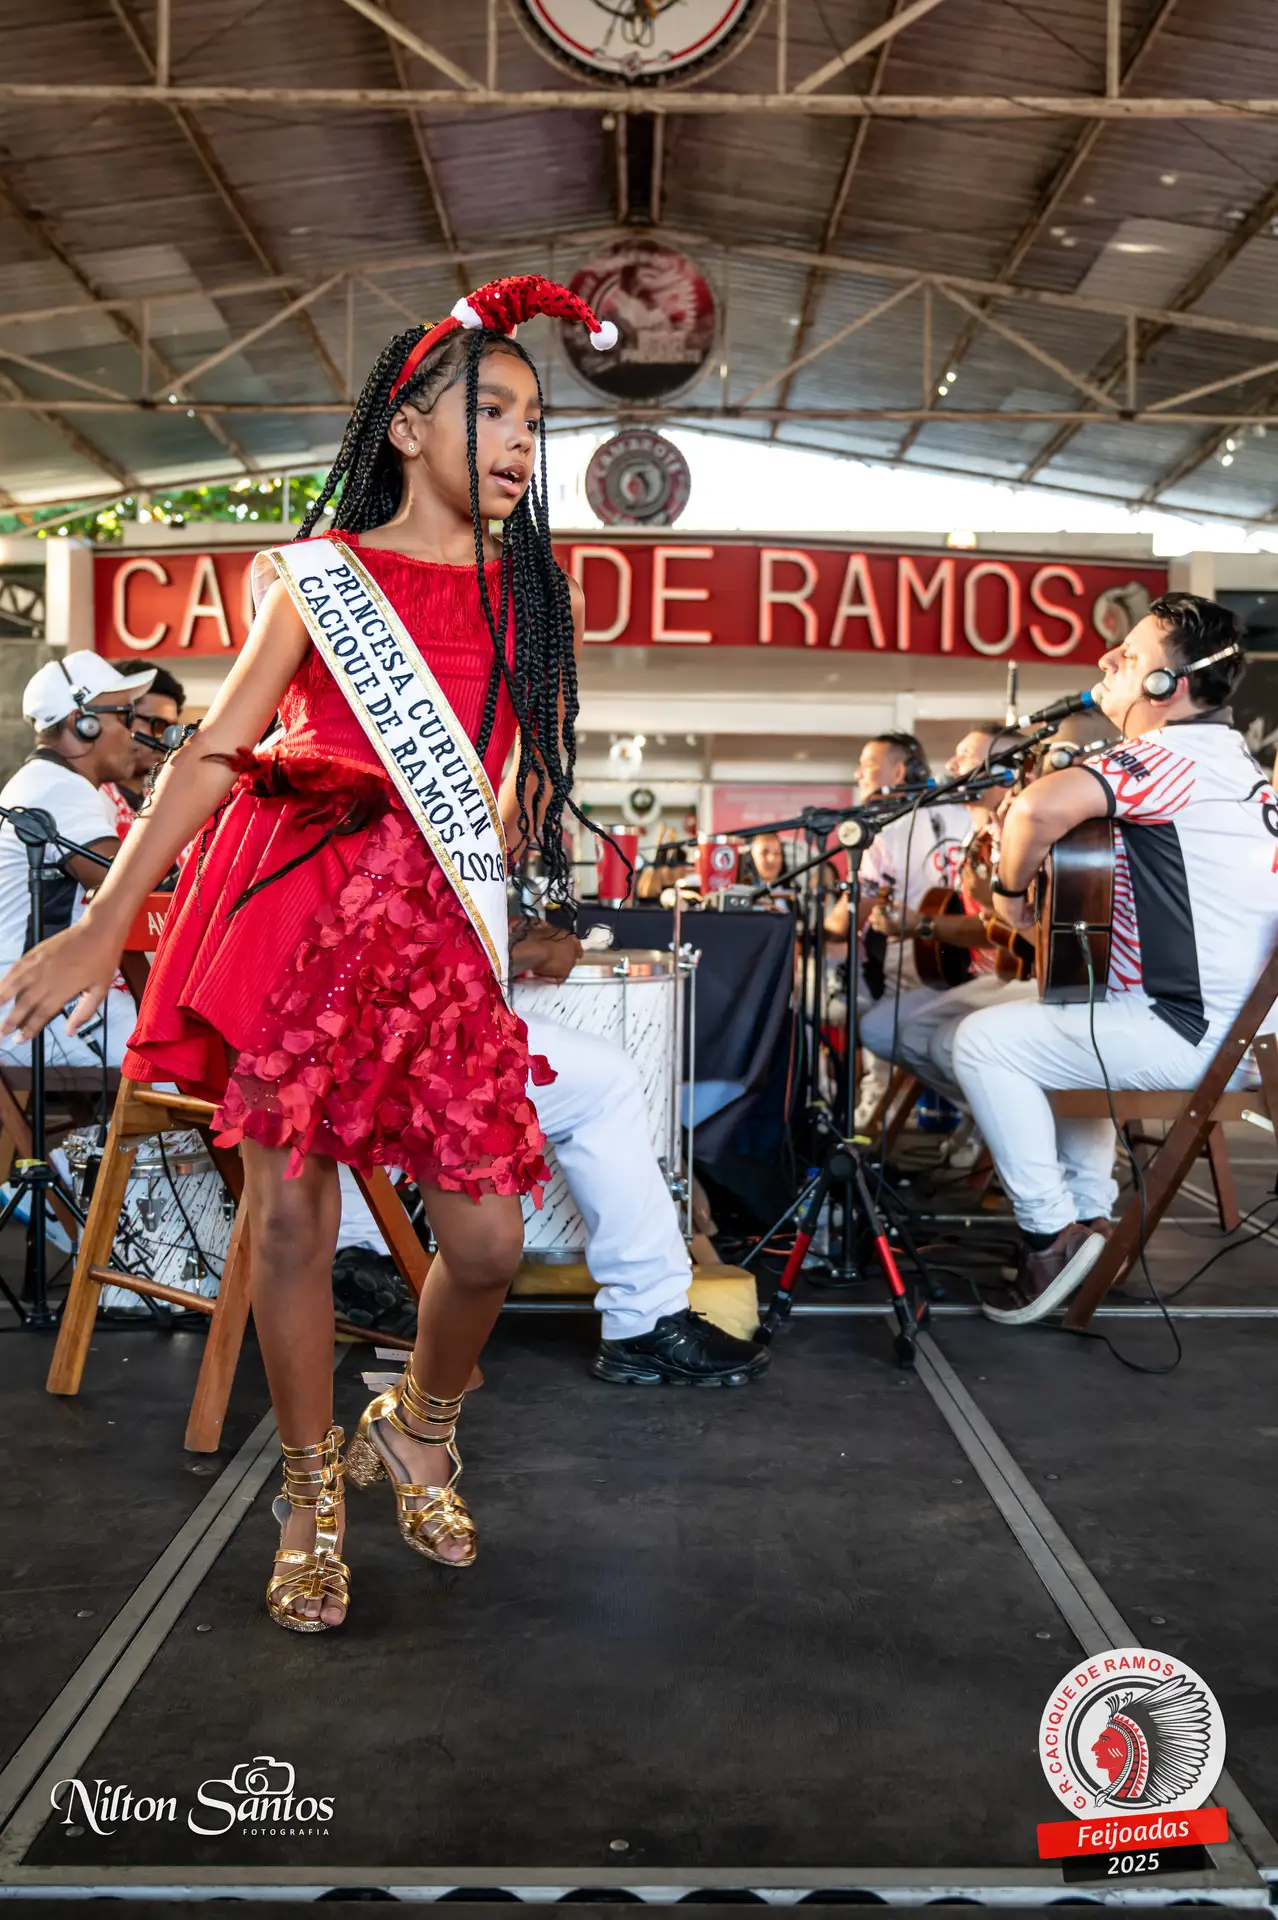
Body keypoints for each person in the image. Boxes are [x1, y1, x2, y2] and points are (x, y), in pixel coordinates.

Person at [0, 273, 633, 1634]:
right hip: (297, 908)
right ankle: (305, 1493)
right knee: (290, 1218)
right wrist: (105, 921)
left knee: (487, 1239)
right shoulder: (322, 574)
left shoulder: (535, 598)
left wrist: (511, 861)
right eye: (492, 411)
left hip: (430, 933)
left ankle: (415, 1425)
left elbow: (511, 775)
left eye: (535, 421)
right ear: (405, 426)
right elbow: (215, 752)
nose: (520, 442)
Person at [950, 592, 1277, 1325]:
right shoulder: (1232, 763)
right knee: (1075, 1014)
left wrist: (1008, 898)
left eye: (1127, 656)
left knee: (982, 1042)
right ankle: (1092, 1221)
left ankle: (1049, 1236)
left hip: (1199, 1037)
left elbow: (1037, 809)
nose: (1104, 660)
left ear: (1168, 686)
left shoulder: (1168, 757)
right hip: (1246, 1035)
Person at [336, 913, 769, 1386]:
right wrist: (530, 950)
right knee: (605, 1081)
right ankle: (646, 1316)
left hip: (320, 1035)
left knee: (353, 1106)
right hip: (396, 1028)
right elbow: (410, 950)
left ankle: (357, 1250)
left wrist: (514, 934)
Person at [0, 651, 155, 1070]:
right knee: (179, 1063)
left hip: (39, 989)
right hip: (35, 1001)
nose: (135, 732)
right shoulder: (59, 788)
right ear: (82, 723)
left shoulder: (50, 780)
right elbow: (135, 889)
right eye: (125, 716)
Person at [823, 731, 968, 1127]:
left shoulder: (883, 829)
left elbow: (851, 915)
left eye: (868, 766)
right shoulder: (966, 814)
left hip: (912, 964)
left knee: (878, 1034)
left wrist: (815, 927)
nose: (859, 774)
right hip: (968, 956)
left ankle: (871, 1124)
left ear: (899, 772)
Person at [102, 663, 187, 831]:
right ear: (121, 718)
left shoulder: (161, 803)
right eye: (158, 725)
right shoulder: (91, 797)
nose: (166, 740)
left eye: (172, 729)